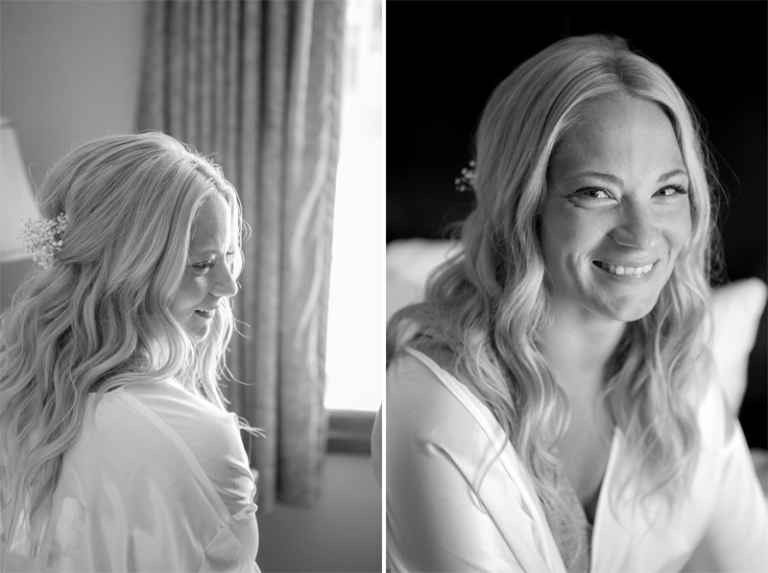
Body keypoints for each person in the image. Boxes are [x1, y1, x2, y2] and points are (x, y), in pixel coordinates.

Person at [378, 34, 768, 572]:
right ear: (524, 207)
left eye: (667, 190)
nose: (640, 235)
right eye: (596, 192)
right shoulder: (433, 411)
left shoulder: (682, 371)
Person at [0, 133, 263, 572]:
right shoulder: (197, 439)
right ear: (128, 269)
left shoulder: (18, 385)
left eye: (229, 258)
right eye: (201, 263)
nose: (229, 286)